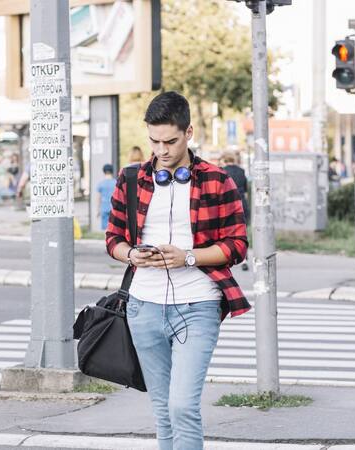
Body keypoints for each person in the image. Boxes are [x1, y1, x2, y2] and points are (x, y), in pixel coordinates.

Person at [104, 91, 250, 450]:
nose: (162, 150)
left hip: (197, 305)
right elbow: (113, 238)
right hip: (143, 306)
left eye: (170, 141)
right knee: (163, 410)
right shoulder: (131, 178)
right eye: (154, 141)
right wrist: (131, 256)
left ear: (189, 133)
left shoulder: (217, 180)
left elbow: (238, 245)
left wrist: (188, 257)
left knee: (182, 405)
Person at [220, 152, 250, 271]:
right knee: (242, 233)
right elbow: (246, 189)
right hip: (241, 204)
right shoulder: (241, 171)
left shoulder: (221, 171)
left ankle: (224, 257)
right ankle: (244, 259)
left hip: (226, 205)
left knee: (224, 233)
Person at [96, 164, 116, 231]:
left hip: (104, 208)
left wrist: (97, 210)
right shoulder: (116, 182)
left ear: (104, 172)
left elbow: (98, 198)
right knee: (114, 228)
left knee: (106, 229)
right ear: (112, 171)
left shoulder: (101, 184)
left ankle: (107, 241)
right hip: (114, 208)